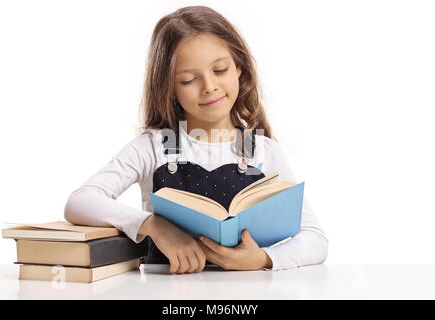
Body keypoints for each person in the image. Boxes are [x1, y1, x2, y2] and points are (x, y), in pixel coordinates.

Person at [64, 5, 328, 274]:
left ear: (239, 67)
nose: (209, 86)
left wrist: (262, 259)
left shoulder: (262, 150)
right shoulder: (154, 147)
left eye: (220, 70)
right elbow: (81, 200)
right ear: (169, 88)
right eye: (189, 80)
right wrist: (153, 224)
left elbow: (315, 239)